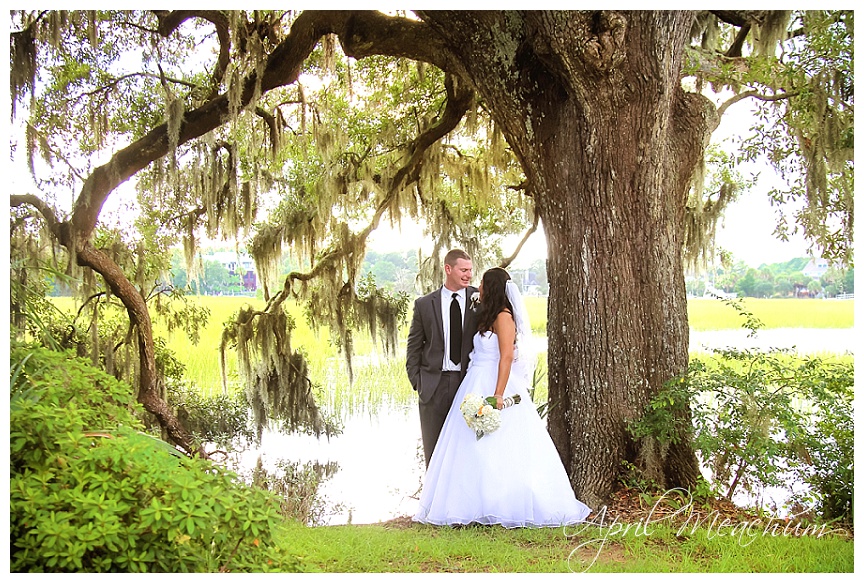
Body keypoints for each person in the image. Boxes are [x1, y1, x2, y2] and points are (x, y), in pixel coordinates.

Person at [413, 267, 591, 528]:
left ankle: (502, 505)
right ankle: (471, 505)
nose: (479, 287)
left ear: (492, 287)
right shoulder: (488, 315)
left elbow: (506, 356)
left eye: (483, 283)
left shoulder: (504, 316)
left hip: (496, 383)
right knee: (470, 446)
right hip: (474, 381)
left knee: (501, 446)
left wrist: (498, 394)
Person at [406, 249, 479, 468]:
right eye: (463, 270)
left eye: (470, 270)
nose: (468, 275)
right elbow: (414, 346)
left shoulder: (479, 299)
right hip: (433, 386)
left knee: (467, 449)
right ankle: (433, 501)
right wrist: (418, 381)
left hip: (467, 384)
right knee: (434, 450)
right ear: (448, 269)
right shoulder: (425, 304)